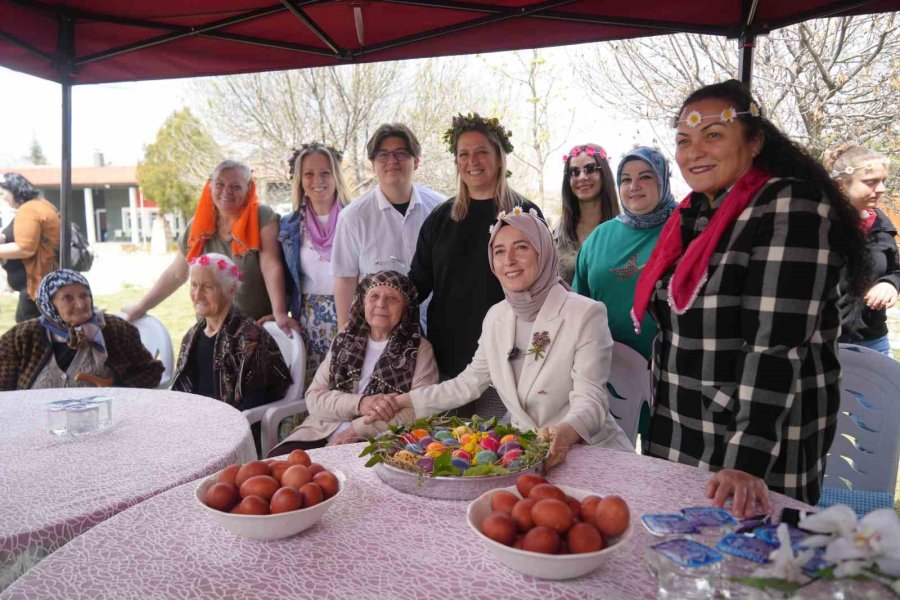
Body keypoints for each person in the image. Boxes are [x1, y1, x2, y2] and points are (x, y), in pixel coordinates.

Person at [633, 80, 867, 514]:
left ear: (755, 141)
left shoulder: (792, 205)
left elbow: (775, 343)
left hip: (758, 445)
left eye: (714, 135)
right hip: (683, 428)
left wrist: (746, 461)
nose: (694, 151)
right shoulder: (694, 213)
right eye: (684, 140)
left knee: (754, 572)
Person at [369, 210, 632, 467]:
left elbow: (591, 399)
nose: (509, 260)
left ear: (544, 252)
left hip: (589, 454)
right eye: (499, 251)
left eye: (521, 248)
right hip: (524, 455)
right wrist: (403, 401)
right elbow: (469, 383)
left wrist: (564, 432)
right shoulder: (497, 316)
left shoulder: (585, 313)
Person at [409, 113, 542, 418]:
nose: (473, 161)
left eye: (482, 151)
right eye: (463, 154)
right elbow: (418, 282)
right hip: (449, 361)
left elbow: (542, 284)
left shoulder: (525, 214)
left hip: (509, 358)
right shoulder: (440, 219)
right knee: (453, 450)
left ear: (499, 157)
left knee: (497, 449)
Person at [268, 270, 438, 455]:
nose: (381, 304)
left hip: (381, 437)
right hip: (323, 429)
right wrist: (361, 403)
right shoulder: (344, 339)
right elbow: (314, 398)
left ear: (406, 308)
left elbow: (421, 409)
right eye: (374, 296)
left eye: (392, 299)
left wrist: (359, 429)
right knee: (280, 464)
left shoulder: (419, 349)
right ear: (363, 302)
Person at [123, 160, 297, 335]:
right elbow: (176, 274)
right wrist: (140, 307)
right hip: (210, 331)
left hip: (255, 331)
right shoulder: (197, 226)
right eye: (219, 184)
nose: (226, 191)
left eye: (236, 186)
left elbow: (271, 265)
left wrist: (279, 312)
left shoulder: (262, 217)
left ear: (249, 188)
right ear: (210, 186)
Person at [331, 123, 444, 331]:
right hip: (379, 335)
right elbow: (346, 280)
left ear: (416, 161)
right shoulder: (353, 218)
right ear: (373, 164)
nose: (392, 161)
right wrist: (345, 334)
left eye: (400, 153)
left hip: (437, 329)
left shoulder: (441, 210)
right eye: (383, 155)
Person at [574, 146, 677, 359]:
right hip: (607, 367)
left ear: (662, 180)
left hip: (671, 367)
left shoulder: (684, 228)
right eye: (625, 179)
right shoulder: (599, 237)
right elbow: (577, 304)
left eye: (645, 177)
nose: (634, 186)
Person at [0, 269, 163, 390]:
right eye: (67, 298)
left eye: (84, 296)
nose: (80, 304)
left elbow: (151, 371)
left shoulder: (115, 330)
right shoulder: (21, 337)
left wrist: (119, 389)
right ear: (49, 304)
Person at [171, 253, 291, 410]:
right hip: (195, 419)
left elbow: (254, 404)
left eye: (208, 287)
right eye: (194, 285)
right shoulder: (193, 335)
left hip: (234, 425)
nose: (198, 294)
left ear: (231, 290)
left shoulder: (250, 338)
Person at [278, 143, 350, 386]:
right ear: (300, 179)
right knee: (312, 389)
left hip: (351, 317)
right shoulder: (289, 225)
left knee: (347, 388)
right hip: (309, 321)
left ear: (336, 176)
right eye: (308, 174)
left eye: (325, 173)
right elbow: (285, 276)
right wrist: (279, 310)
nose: (317, 180)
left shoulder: (355, 218)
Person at [825, 144, 898, 356]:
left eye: (883, 180)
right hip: (823, 344)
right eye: (871, 182)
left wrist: (890, 284)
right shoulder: (815, 226)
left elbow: (895, 270)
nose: (882, 188)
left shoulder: (882, 228)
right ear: (840, 184)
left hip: (875, 343)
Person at [0, 172, 61, 322]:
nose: (4, 198)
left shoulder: (29, 210)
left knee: (30, 333)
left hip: (35, 284)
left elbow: (25, 248)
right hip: (45, 280)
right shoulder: (43, 204)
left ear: (13, 190)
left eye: (3, 193)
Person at [555, 144, 619, 285]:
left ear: (604, 174)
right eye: (574, 172)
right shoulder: (557, 236)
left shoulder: (623, 231)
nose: (582, 177)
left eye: (590, 169)